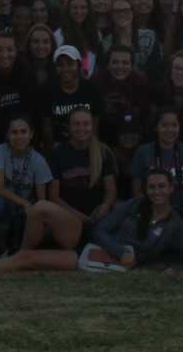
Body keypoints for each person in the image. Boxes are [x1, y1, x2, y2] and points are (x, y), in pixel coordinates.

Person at [0, 168, 183, 276]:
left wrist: (172, 270)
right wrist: (119, 250)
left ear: (172, 189)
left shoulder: (175, 225)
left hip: (90, 259)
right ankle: (18, 249)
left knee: (27, 260)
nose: (157, 192)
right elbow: (101, 229)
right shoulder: (135, 204)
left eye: (162, 186)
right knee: (40, 207)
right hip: (87, 238)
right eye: (152, 187)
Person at [19, 106, 116, 255]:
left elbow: (110, 190)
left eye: (86, 123)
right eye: (76, 124)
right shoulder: (57, 153)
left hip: (98, 216)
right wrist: (82, 218)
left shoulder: (103, 152)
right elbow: (54, 197)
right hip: (70, 217)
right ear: (69, 127)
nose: (81, 128)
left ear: (92, 126)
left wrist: (105, 206)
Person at [0, 114, 50, 252]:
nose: (19, 136)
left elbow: (42, 199)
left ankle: (15, 244)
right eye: (14, 132)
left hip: (24, 206)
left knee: (28, 213)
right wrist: (24, 203)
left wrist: (32, 210)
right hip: (4, 203)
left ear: (31, 134)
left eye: (23, 132)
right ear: (7, 135)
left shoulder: (39, 160)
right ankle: (0, 238)